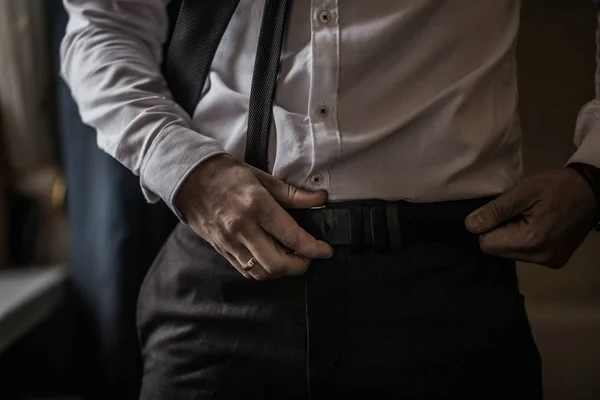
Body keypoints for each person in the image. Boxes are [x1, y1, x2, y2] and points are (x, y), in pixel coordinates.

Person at [61, 0, 600, 398]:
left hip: (447, 288)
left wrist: (595, 174)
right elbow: (104, 26)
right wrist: (185, 168)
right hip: (221, 274)